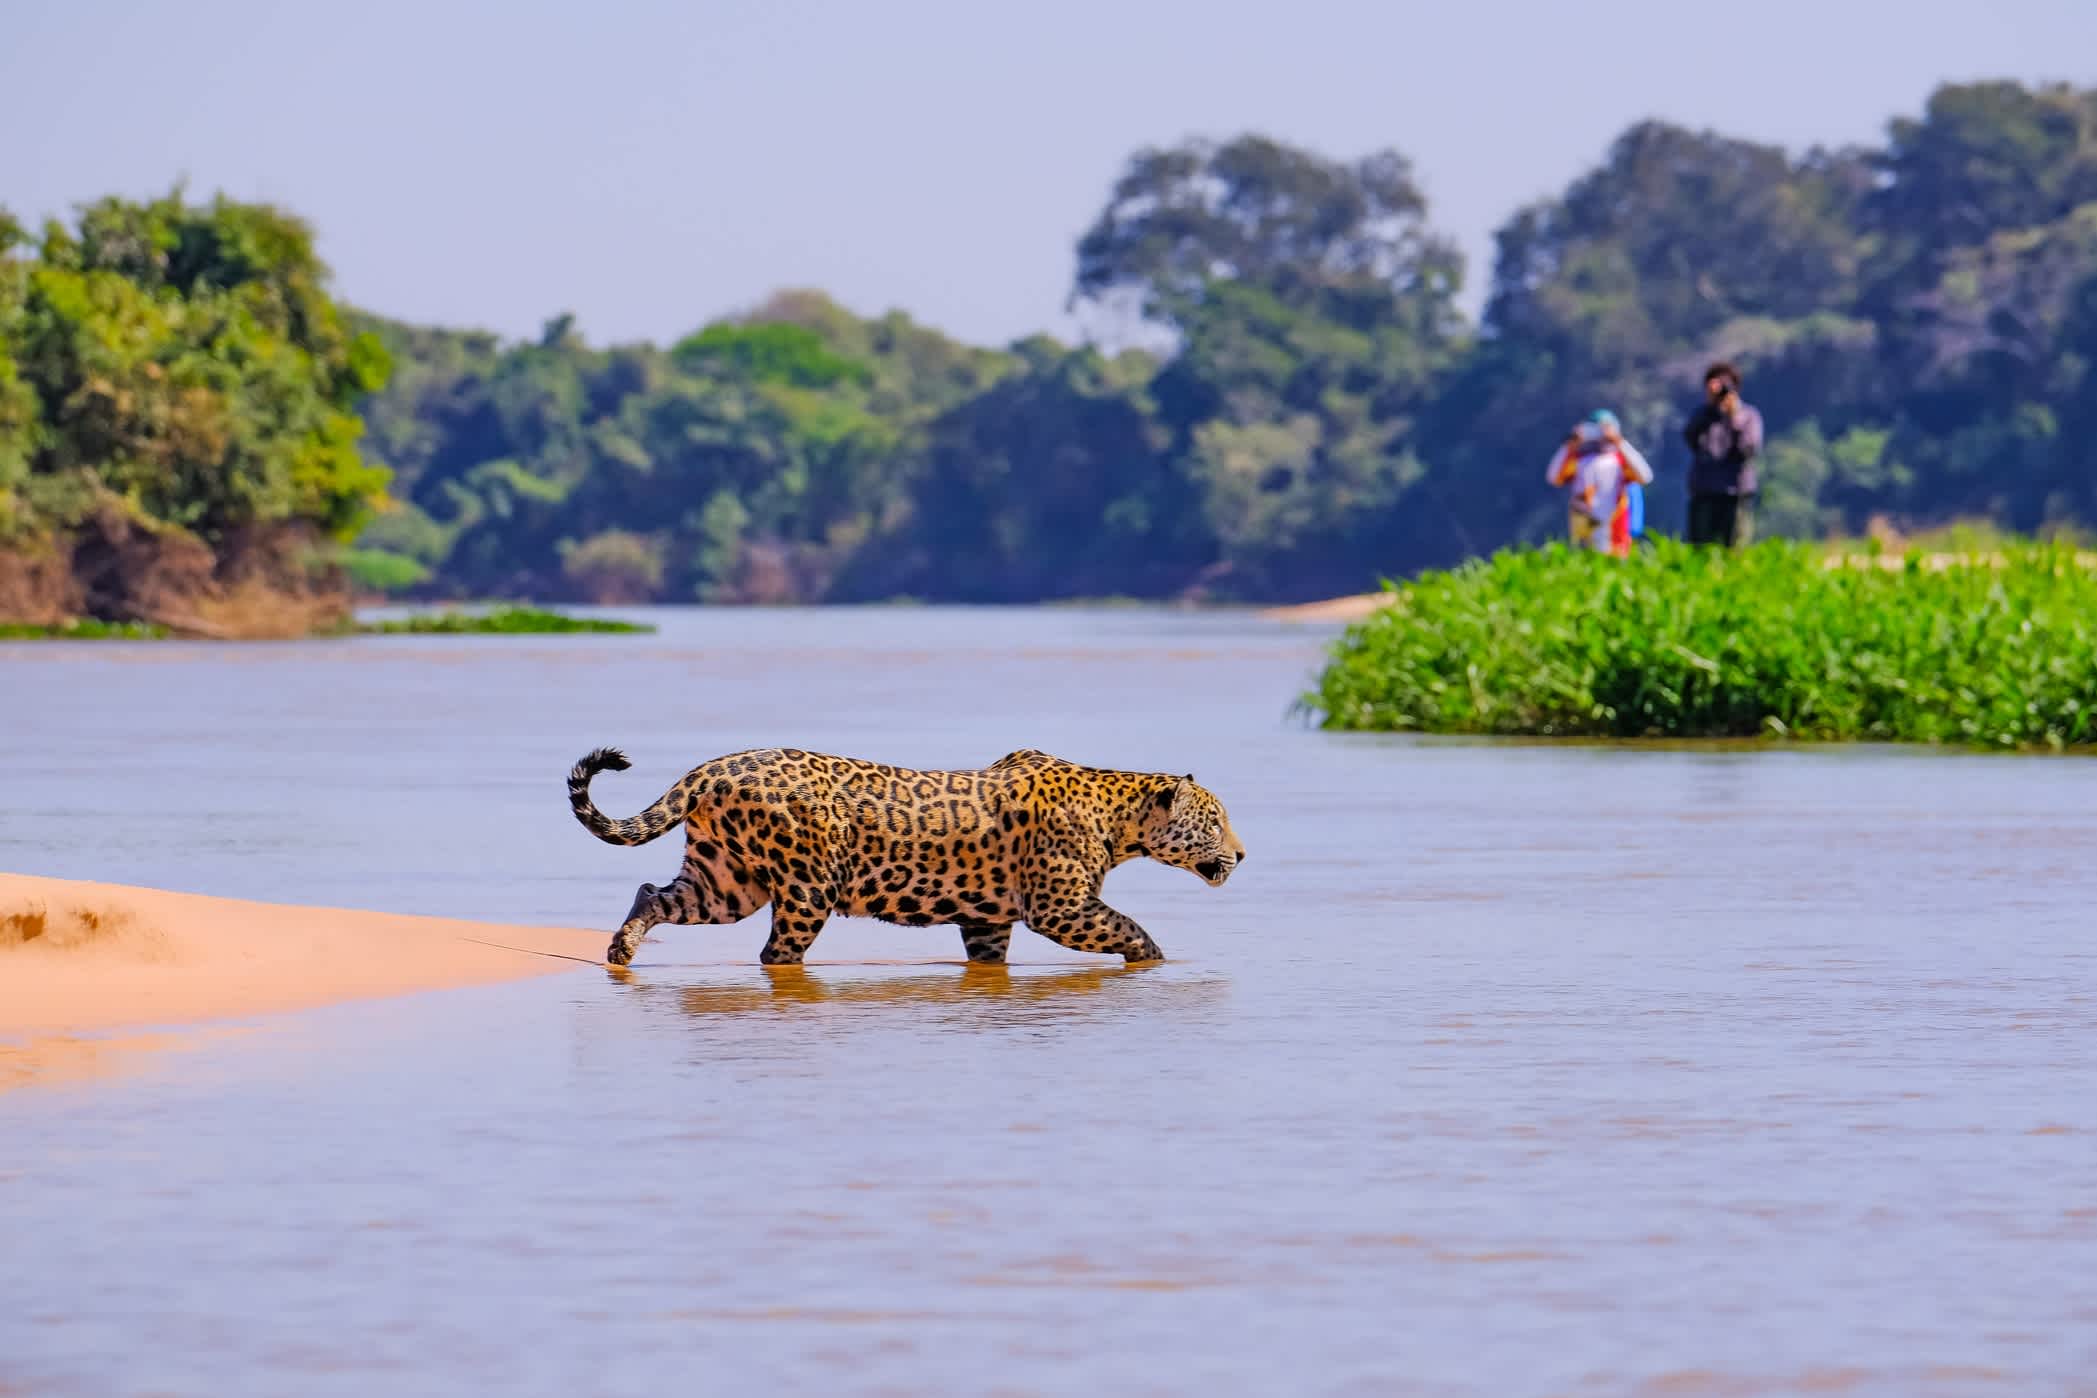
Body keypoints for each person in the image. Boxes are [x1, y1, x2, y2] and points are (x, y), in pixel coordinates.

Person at [1546, 409, 1653, 558]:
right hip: (1585, 529)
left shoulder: (1621, 461)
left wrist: (1619, 442)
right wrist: (1569, 445)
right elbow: (1553, 477)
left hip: (1615, 530)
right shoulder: (1578, 460)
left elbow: (1645, 476)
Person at [1682, 361, 1764, 547]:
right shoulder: (1702, 415)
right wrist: (1709, 409)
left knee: (1734, 547)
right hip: (1703, 490)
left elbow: (1749, 450)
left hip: (1735, 492)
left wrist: (1733, 417)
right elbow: (1690, 438)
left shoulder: (1748, 416)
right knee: (1699, 549)